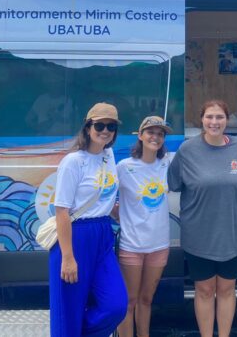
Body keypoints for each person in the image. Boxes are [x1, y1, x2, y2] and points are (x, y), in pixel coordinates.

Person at [167, 100, 237, 337]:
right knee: (204, 290)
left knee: (226, 289)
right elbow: (173, 182)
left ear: (227, 120)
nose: (214, 122)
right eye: (210, 117)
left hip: (233, 233)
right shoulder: (187, 150)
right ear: (201, 120)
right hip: (199, 234)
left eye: (220, 117)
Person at [50, 102, 128, 337]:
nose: (105, 131)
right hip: (75, 236)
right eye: (100, 125)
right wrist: (68, 257)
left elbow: (105, 198)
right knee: (68, 312)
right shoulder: (73, 161)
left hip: (103, 234)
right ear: (87, 127)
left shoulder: (109, 155)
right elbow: (61, 210)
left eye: (111, 126)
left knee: (116, 306)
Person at [116, 116, 172, 337]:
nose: (155, 137)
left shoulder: (167, 163)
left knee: (146, 300)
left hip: (159, 245)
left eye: (160, 134)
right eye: (150, 132)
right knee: (129, 301)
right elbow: (105, 197)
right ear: (140, 135)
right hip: (132, 246)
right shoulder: (124, 167)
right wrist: (119, 215)